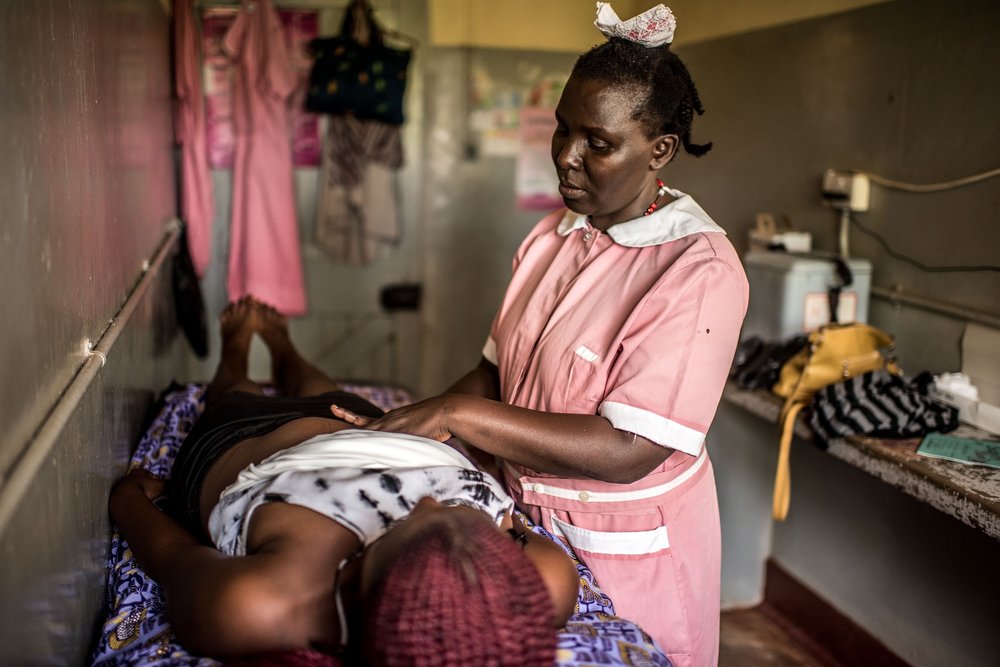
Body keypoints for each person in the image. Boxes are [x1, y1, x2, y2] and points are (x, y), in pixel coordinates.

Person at [327, 4, 748, 666]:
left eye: (598, 143)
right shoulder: (553, 236)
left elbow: (630, 446)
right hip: (527, 524)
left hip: (627, 549)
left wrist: (458, 414)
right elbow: (495, 371)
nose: (567, 157)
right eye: (561, 129)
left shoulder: (698, 271)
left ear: (659, 150)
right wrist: (425, 426)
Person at [109, 298, 578, 665]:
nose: (427, 499)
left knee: (237, 391)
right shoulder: (547, 586)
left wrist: (130, 500)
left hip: (246, 439)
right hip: (378, 427)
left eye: (403, 523)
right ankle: (284, 348)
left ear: (364, 590)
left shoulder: (263, 603)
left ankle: (234, 348)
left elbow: (177, 559)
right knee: (323, 388)